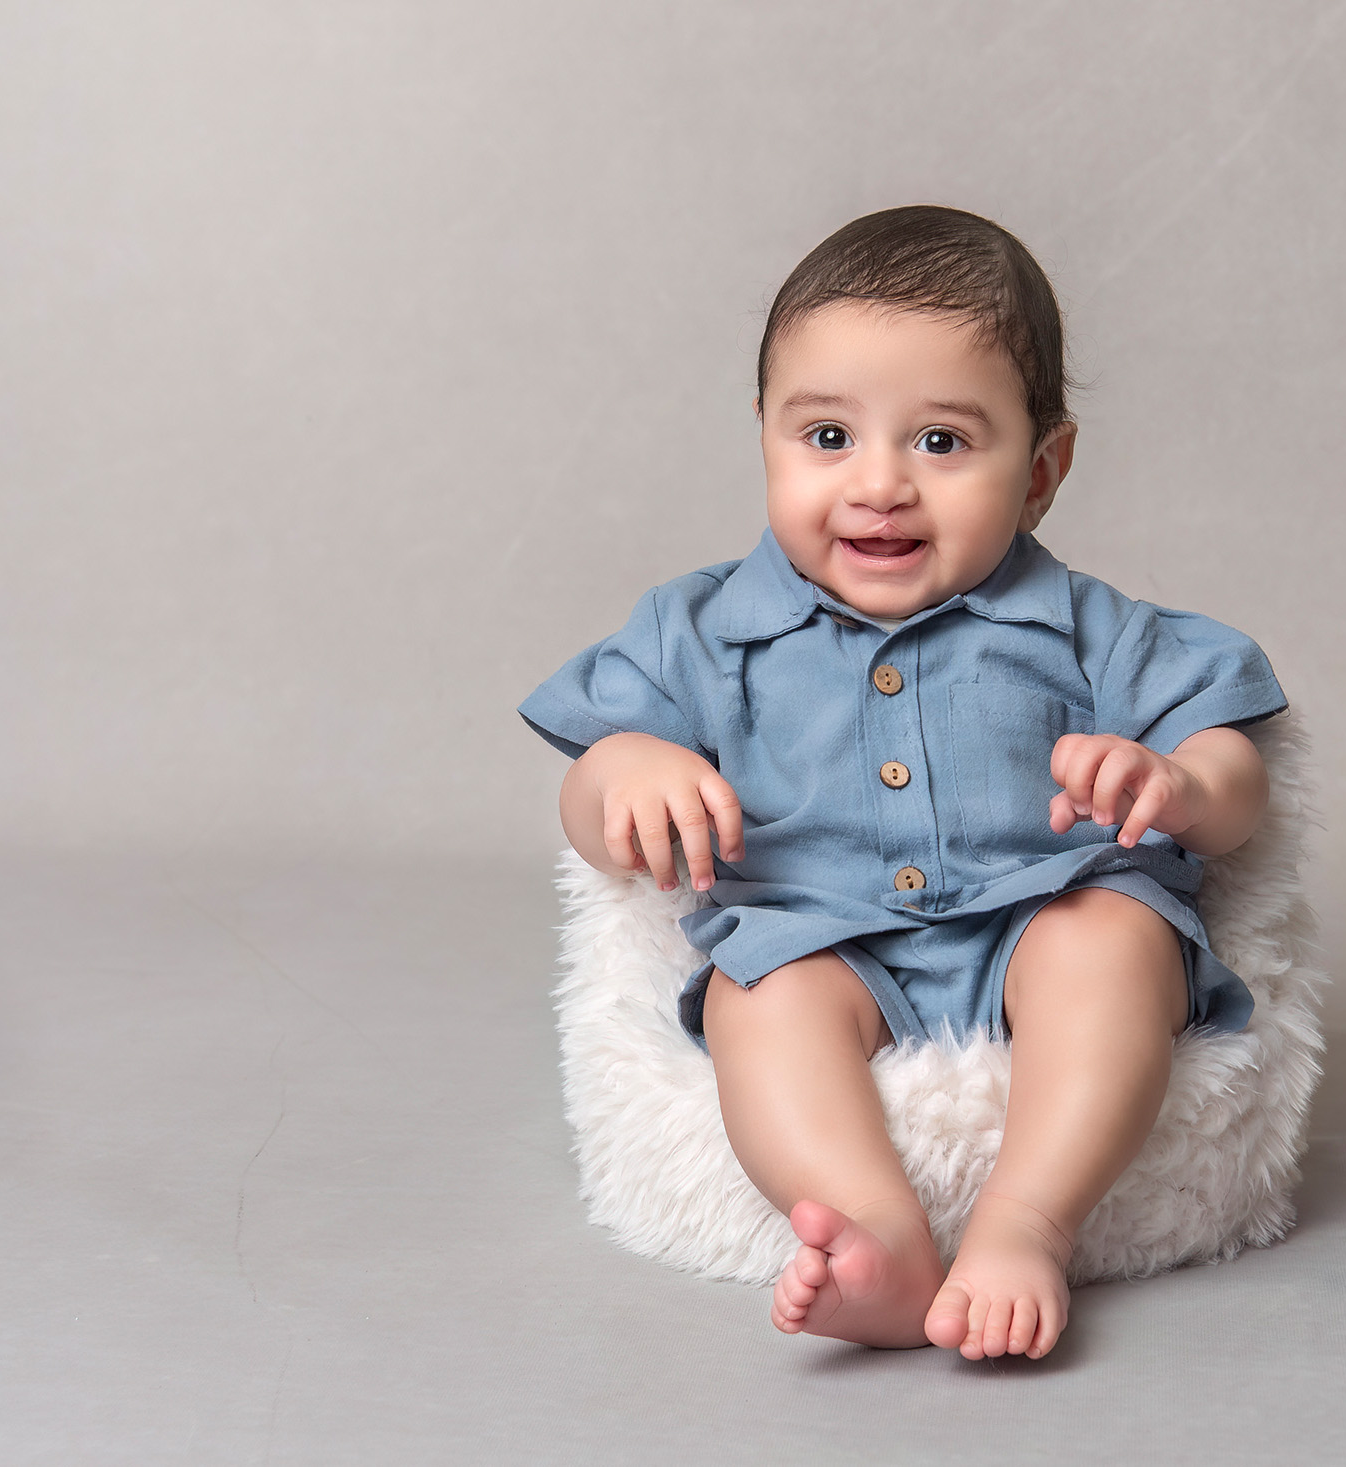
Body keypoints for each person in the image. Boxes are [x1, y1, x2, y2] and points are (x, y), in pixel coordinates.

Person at [520, 205, 1286, 1360]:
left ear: (1041, 470)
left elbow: (1237, 780)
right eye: (826, 437)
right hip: (822, 943)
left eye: (939, 442)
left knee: (1111, 938)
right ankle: (872, 1234)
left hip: (1038, 917)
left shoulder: (1085, 628)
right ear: (765, 436)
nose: (878, 484)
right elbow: (588, 803)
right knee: (756, 998)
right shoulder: (700, 628)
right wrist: (626, 772)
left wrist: (1173, 782)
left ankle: (1025, 1222)